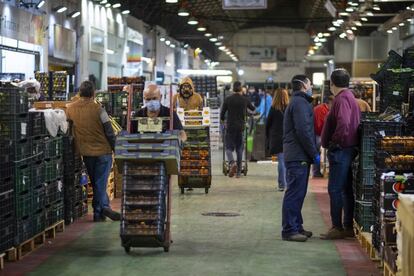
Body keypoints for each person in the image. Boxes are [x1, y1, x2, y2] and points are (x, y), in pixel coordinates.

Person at [66, 81, 120, 222]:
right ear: (93, 93)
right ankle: (101, 211)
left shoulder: (70, 108)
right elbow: (109, 132)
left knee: (97, 183)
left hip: (86, 152)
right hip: (103, 152)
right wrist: (116, 149)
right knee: (100, 183)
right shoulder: (99, 109)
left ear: (79, 93)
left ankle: (102, 210)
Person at [321, 69, 360, 240]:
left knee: (335, 189)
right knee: (345, 189)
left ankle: (337, 227)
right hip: (348, 148)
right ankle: (347, 226)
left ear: (332, 83)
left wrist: (335, 142)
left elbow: (343, 123)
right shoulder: (349, 97)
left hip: (342, 149)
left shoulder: (342, 98)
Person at [281, 75, 319, 242]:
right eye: (310, 84)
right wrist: (314, 153)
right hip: (298, 155)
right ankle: (289, 230)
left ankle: (297, 226)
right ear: (304, 85)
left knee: (299, 193)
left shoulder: (298, 102)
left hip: (297, 154)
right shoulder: (300, 104)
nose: (311, 87)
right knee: (295, 193)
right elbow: (303, 131)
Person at [220, 81, 256, 178]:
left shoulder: (228, 99)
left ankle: (232, 163)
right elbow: (253, 109)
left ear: (233, 89)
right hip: (241, 127)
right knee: (239, 149)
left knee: (228, 148)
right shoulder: (245, 99)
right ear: (241, 89)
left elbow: (222, 114)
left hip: (230, 127)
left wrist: (223, 121)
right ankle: (239, 172)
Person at [266, 88, 289, 191]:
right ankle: (288, 183)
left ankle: (282, 184)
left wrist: (268, 137)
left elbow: (268, 125)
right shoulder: (289, 108)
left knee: (281, 161)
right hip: (288, 138)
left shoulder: (273, 108)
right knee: (288, 162)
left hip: (277, 138)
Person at [312, 96, 334, 178]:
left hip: (315, 134)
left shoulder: (316, 108)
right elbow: (324, 124)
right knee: (323, 154)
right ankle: (322, 171)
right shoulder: (325, 110)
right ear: (330, 103)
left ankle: (316, 171)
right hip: (321, 134)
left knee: (316, 154)